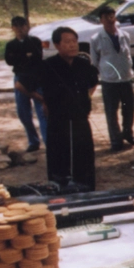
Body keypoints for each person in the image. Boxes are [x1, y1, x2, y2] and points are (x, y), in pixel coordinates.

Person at [39, 27, 99, 190]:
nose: (73, 45)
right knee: (59, 160)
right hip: (58, 120)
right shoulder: (49, 65)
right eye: (67, 42)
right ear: (57, 45)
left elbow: (93, 82)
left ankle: (86, 189)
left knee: (84, 159)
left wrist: (85, 97)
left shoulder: (83, 64)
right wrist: (44, 101)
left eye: (74, 41)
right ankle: (60, 190)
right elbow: (24, 86)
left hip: (80, 119)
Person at [90, 5, 134, 151]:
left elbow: (128, 55)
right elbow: (95, 62)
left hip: (126, 79)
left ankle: (128, 133)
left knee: (129, 109)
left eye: (112, 16)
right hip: (109, 81)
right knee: (111, 112)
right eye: (106, 17)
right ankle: (115, 140)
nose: (110, 20)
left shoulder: (124, 35)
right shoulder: (96, 39)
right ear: (101, 20)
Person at [5, 17, 46, 152]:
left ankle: (48, 140)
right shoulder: (11, 45)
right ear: (13, 28)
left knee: (42, 110)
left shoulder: (34, 41)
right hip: (20, 79)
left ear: (27, 27)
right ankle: (33, 141)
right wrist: (25, 56)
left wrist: (21, 57)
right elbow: (9, 61)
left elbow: (37, 58)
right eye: (16, 26)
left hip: (36, 77)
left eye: (22, 26)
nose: (20, 29)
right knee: (23, 112)